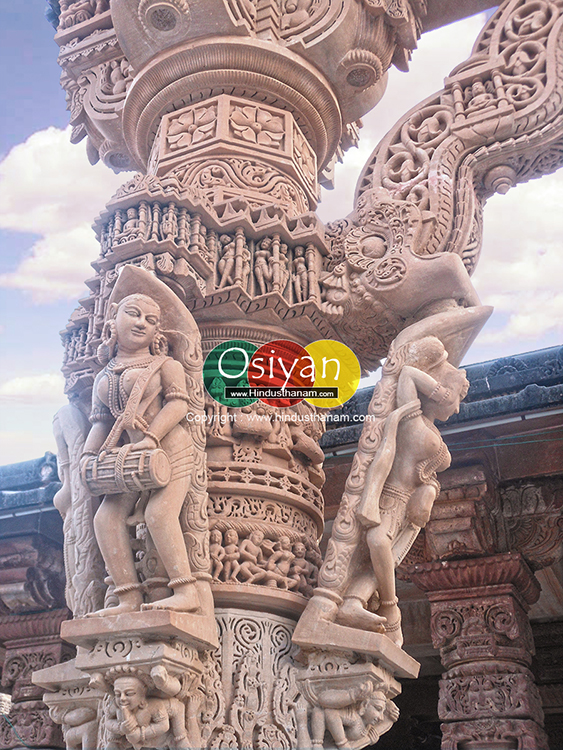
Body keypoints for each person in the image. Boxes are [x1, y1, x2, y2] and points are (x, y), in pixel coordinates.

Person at [82, 290, 200, 615]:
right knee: (106, 517)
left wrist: (151, 436)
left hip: (170, 448)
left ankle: (186, 590)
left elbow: (178, 404)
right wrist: (88, 456)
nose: (141, 324)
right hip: (130, 456)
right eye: (133, 314)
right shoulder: (102, 377)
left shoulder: (166, 365)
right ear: (114, 319)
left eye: (151, 321)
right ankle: (127, 597)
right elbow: (101, 422)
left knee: (158, 514)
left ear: (157, 332)